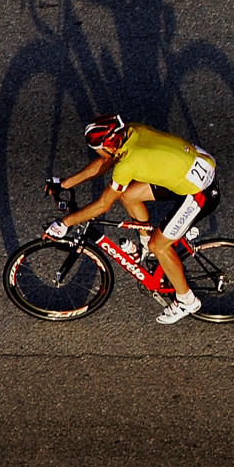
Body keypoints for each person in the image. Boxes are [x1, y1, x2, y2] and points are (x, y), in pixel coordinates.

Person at [48, 114, 217, 324]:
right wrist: (65, 184)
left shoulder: (126, 165)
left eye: (96, 148)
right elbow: (105, 161)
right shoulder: (130, 131)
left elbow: (103, 205)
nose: (97, 153)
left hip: (200, 192)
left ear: (108, 145)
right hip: (193, 165)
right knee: (128, 195)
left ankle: (187, 301)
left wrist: (64, 223)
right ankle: (146, 246)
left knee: (160, 245)